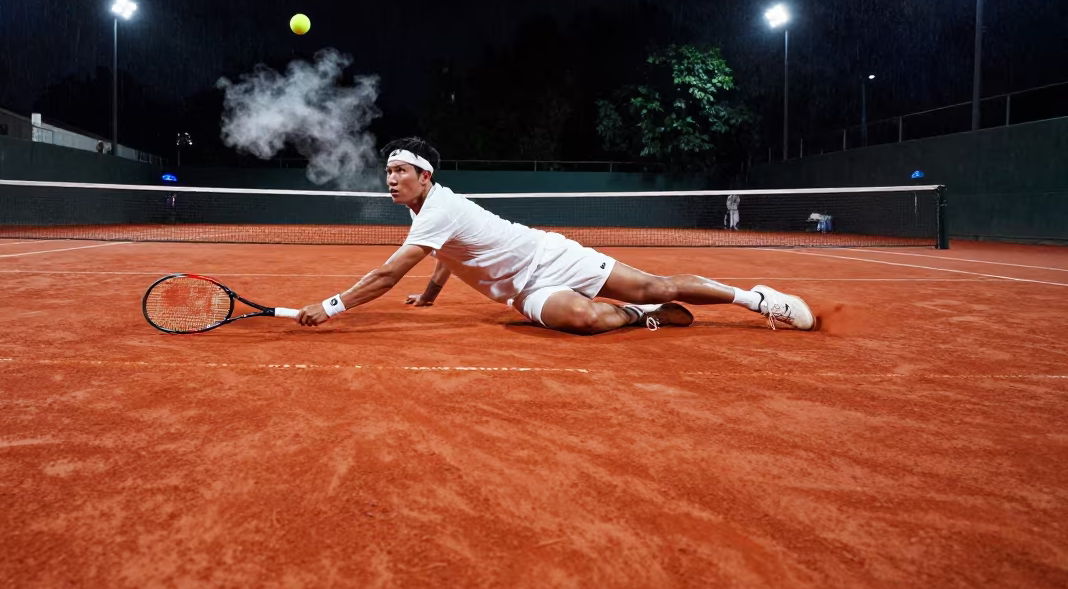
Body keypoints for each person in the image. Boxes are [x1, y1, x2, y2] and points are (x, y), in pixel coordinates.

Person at [296, 137, 815, 334]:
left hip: (551, 256)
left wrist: (333, 305)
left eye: (400, 172)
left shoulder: (440, 205)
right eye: (387, 173)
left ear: (425, 176)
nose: (391, 180)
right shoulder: (425, 212)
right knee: (582, 320)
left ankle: (758, 300)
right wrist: (431, 296)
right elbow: (444, 254)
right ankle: (641, 318)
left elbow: (389, 272)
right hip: (525, 290)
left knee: (658, 284)